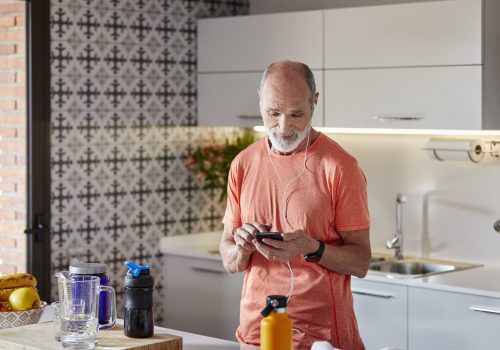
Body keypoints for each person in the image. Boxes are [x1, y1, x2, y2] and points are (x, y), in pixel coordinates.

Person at [219, 60, 371, 350]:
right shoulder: (243, 164)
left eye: (296, 114)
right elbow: (229, 257)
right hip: (256, 334)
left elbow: (361, 262)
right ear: (260, 100)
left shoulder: (340, 167)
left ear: (315, 102)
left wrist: (310, 247)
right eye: (273, 113)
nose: (284, 127)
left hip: (321, 340)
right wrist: (241, 247)